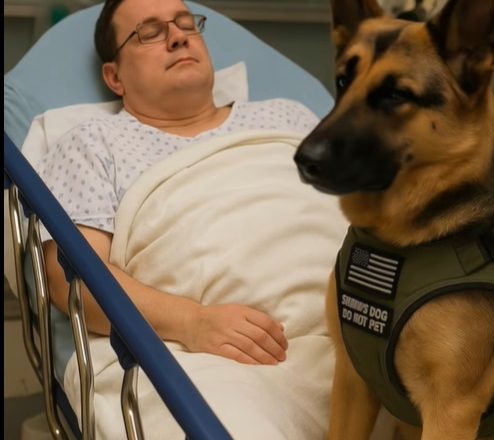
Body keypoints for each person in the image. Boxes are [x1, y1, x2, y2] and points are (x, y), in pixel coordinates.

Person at [37, 0, 347, 438]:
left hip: (350, 330)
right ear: (114, 77)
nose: (178, 37)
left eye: (186, 24)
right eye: (149, 32)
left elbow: (358, 214)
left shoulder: (289, 116)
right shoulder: (96, 143)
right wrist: (192, 322)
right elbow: (68, 277)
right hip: (210, 358)